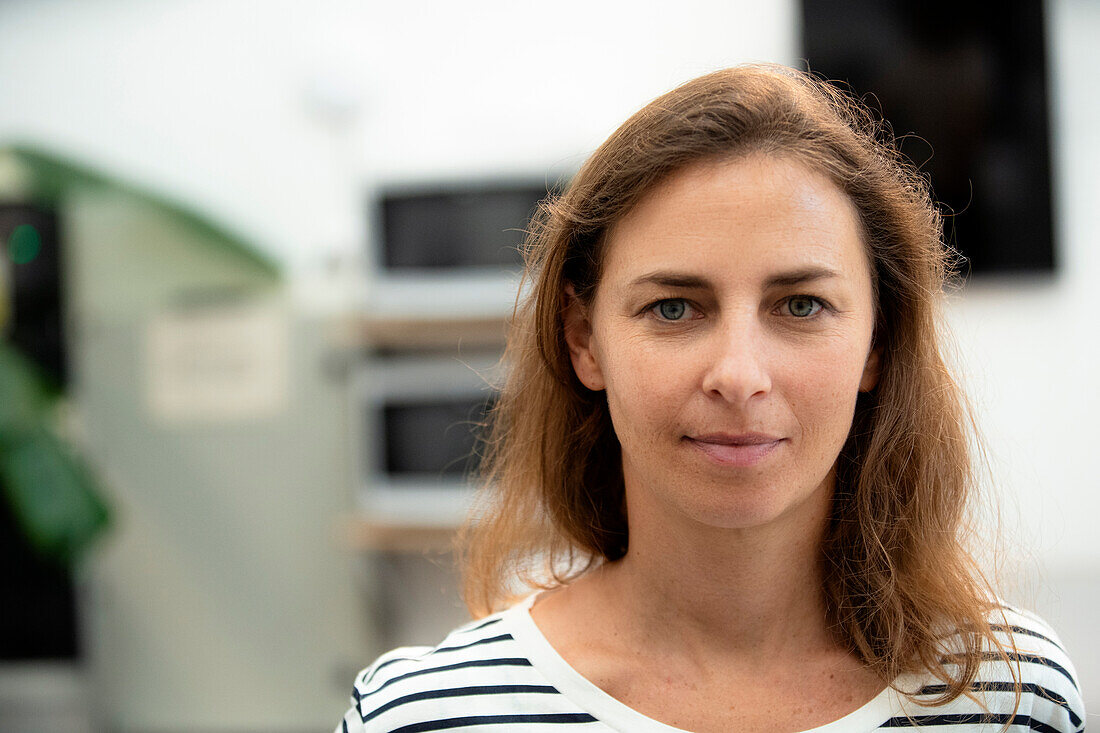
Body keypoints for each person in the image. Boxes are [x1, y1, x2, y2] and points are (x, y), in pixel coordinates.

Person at [336, 64, 1085, 732]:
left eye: (799, 305)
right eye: (673, 307)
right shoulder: (422, 714)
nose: (738, 374)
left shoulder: (1009, 695)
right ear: (583, 340)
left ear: (878, 344)